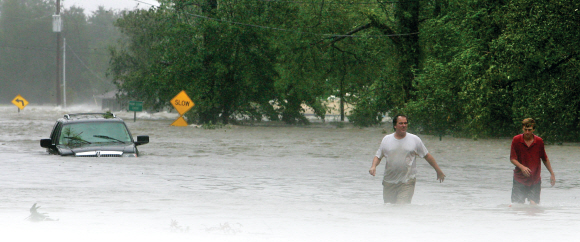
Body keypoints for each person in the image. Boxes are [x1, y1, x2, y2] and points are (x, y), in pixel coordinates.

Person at [369, 115, 445, 204]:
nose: (404, 125)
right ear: (395, 125)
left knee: (402, 208)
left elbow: (427, 156)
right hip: (389, 181)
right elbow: (378, 156)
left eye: (405, 123)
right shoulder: (386, 139)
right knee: (389, 209)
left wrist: (438, 171)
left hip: (407, 182)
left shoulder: (415, 139)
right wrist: (373, 166)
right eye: (400, 123)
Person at [510, 118, 556, 205]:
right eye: (525, 130)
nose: (527, 132)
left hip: (535, 180)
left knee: (534, 208)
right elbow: (512, 158)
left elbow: (544, 158)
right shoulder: (516, 140)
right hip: (519, 179)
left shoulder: (539, 141)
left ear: (533, 129)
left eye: (529, 130)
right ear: (522, 129)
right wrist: (522, 167)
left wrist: (552, 174)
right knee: (517, 207)